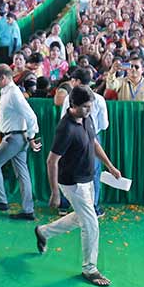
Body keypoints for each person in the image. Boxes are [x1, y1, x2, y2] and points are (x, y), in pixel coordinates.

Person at [35, 86, 122, 287]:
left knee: (82, 217)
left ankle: (43, 232)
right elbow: (51, 161)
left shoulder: (87, 118)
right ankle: (89, 268)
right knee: (91, 223)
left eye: (90, 106)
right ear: (73, 105)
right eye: (85, 107)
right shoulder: (65, 128)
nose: (89, 110)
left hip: (88, 177)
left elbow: (93, 143)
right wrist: (55, 192)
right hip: (72, 183)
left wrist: (110, 166)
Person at [0, 64, 41, 220]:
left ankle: (1, 201)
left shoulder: (14, 93)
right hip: (17, 136)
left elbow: (31, 117)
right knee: (22, 174)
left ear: (2, 78)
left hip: (15, 137)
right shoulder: (6, 91)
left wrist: (31, 136)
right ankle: (28, 210)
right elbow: (4, 117)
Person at [58, 68, 109, 216]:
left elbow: (63, 118)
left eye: (73, 80)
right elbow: (104, 124)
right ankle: (93, 207)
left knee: (67, 168)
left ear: (78, 82)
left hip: (71, 136)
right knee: (93, 172)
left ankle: (64, 205)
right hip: (92, 136)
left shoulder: (69, 98)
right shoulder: (99, 99)